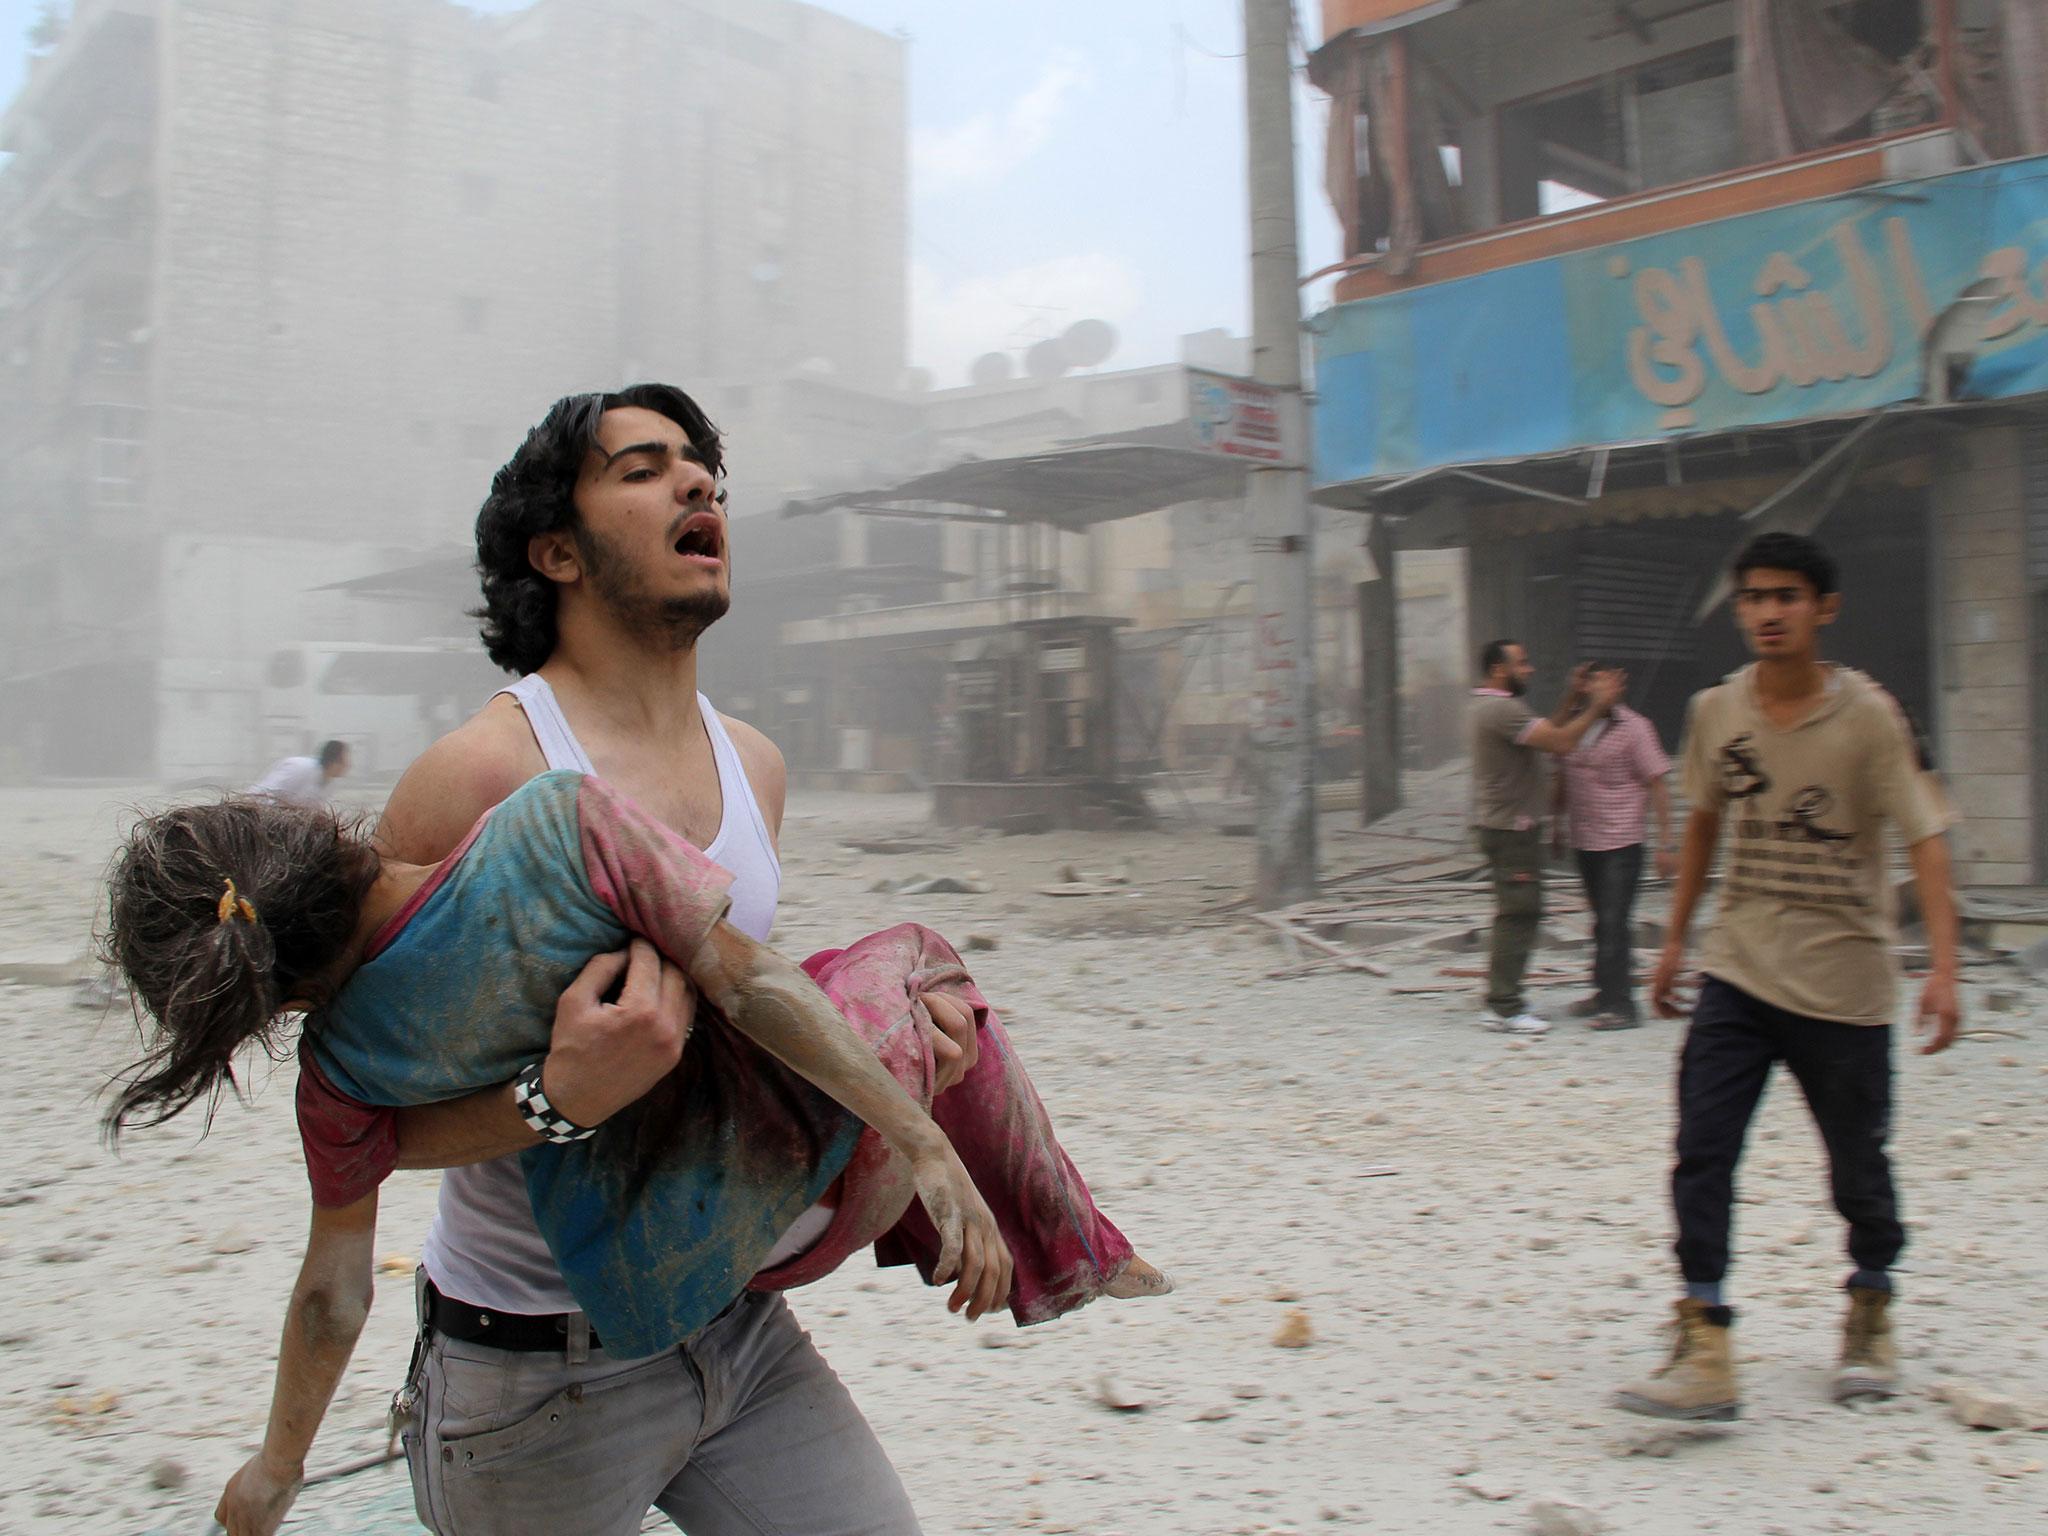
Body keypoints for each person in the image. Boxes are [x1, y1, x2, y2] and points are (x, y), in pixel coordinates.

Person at [195, 384, 1003, 1535]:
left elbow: (737, 1020)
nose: (696, 485)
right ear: (555, 551)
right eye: (642, 467)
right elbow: (360, 1126)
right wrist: (555, 1097)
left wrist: (900, 1057)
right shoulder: (479, 777)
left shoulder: (756, 764)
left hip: (732, 1324)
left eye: (703, 471)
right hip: (531, 1377)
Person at [103, 772, 1170, 1533]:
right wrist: (928, 1150)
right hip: (759, 1246)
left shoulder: (335, 1071)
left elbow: (334, 1290)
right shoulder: (554, 826)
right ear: (306, 831)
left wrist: (276, 1469)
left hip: (660, 1313)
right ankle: (1065, 1249)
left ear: (270, 991)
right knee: (907, 964)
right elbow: (749, 983)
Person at [1617, 532, 1959, 1422]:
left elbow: (1925, 838)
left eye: (1787, 596)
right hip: (1739, 969)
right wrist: (1674, 941)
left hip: (1845, 985)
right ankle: (1705, 1336)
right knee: (1703, 1146)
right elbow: (1700, 826)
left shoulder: (1871, 718)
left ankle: (1871, 1303)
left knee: (1856, 1164)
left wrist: (1946, 970)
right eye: (1753, 598)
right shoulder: (1716, 711)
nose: (1768, 612)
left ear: (1823, 609)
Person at [1469, 643, 1623, 1034]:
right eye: (1522, 663)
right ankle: (1504, 1006)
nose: (1531, 669)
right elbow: (1561, 742)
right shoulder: (1501, 710)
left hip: (1505, 826)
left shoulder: (1496, 708)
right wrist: (1595, 705)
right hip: (1510, 830)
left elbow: (1548, 733)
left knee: (1518, 911)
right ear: (1499, 670)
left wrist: (1572, 698)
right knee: (1519, 913)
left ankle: (1504, 998)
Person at [1551, 665, 1675, 1030]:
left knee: (1614, 921)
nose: (1601, 687)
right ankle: (1603, 993)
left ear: (1620, 685)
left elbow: (1658, 784)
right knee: (1600, 923)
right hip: (1585, 839)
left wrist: (1667, 842)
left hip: (1622, 841)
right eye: (1593, 680)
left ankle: (1623, 1007)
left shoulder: (1636, 728)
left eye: (1608, 680)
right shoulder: (1575, 726)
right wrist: (1556, 824)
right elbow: (1559, 771)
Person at [249, 739, 350, 806]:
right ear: (334, 761)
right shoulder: (301, 768)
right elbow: (263, 794)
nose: (348, 766)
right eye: (345, 760)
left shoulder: (328, 784)